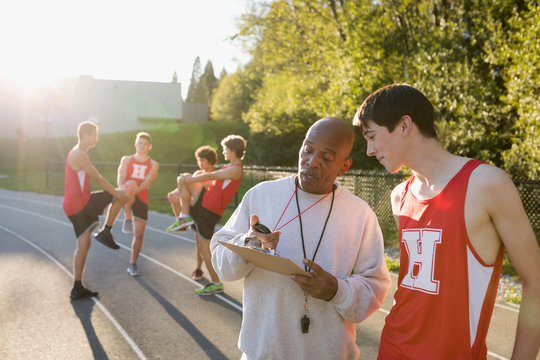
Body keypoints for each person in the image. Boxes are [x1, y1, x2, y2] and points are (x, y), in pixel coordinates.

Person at [353, 83, 540, 359]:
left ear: (405, 125)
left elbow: (536, 280)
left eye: (372, 136)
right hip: (392, 349)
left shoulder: (486, 183)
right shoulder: (399, 196)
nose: (369, 150)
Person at [211, 118, 391, 359]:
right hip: (262, 353)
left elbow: (375, 290)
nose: (312, 162)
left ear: (344, 167)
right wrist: (250, 243)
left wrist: (336, 291)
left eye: (326, 157)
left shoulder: (360, 214)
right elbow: (221, 264)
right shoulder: (261, 196)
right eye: (307, 150)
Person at [168, 135, 246, 295]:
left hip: (210, 211)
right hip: (204, 204)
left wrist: (193, 178)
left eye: (225, 150)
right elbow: (210, 182)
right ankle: (184, 217)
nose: (224, 152)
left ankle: (216, 283)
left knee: (205, 249)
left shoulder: (236, 169)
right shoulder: (227, 167)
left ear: (232, 150)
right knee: (183, 179)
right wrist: (188, 182)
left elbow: (211, 176)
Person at [63, 121, 128, 300]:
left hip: (74, 204)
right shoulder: (79, 155)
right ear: (86, 135)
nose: (97, 139)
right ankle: (106, 232)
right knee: (122, 195)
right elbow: (98, 178)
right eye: (95, 135)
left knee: (84, 244)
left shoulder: (76, 151)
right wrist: (117, 194)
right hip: (80, 204)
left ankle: (77, 286)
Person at [94, 132, 159, 277]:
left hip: (141, 197)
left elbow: (148, 181)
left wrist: (134, 190)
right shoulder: (126, 159)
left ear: (149, 146)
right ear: (135, 144)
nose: (142, 146)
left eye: (145, 144)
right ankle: (127, 218)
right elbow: (121, 177)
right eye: (139, 142)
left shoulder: (153, 164)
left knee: (139, 234)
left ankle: (133, 263)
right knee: (129, 183)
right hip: (126, 194)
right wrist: (125, 189)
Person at [166, 145, 218, 280]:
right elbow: (187, 190)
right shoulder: (197, 174)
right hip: (194, 209)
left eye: (203, 160)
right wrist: (175, 193)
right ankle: (181, 221)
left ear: (210, 161)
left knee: (203, 245)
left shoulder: (214, 175)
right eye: (199, 160)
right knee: (198, 243)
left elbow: (206, 189)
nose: (200, 163)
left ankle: (212, 273)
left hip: (205, 212)